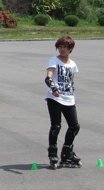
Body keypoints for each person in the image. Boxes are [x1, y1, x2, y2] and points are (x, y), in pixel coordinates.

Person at [44, 36, 82, 169]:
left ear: (70, 49)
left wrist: (71, 90)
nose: (62, 49)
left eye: (65, 47)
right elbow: (48, 77)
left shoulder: (73, 65)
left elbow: (71, 80)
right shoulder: (53, 60)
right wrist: (53, 87)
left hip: (68, 98)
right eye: (60, 46)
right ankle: (53, 154)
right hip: (54, 98)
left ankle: (67, 153)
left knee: (74, 126)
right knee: (56, 126)